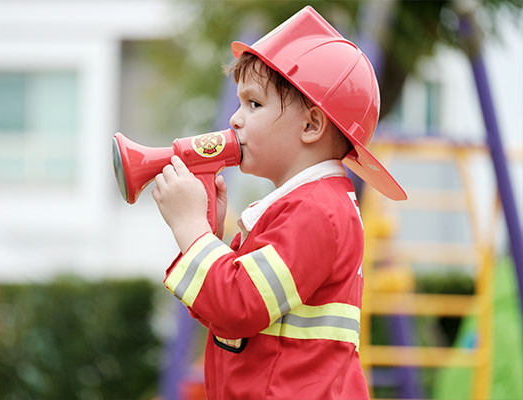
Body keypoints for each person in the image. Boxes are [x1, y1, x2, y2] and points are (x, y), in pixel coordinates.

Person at [151, 5, 406, 399]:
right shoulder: (306, 206)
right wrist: (211, 240)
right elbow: (228, 315)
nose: (235, 119)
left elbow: (238, 305)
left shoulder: (316, 212)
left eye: (254, 104)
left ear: (311, 125)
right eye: (240, 103)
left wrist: (192, 231)